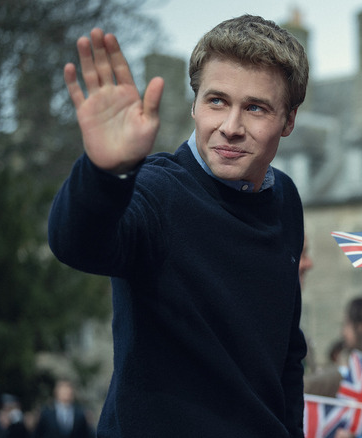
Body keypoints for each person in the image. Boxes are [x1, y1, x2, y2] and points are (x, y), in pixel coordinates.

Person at [48, 14, 309, 437]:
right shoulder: (155, 189)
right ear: (194, 104)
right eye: (217, 101)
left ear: (289, 120)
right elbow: (74, 243)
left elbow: (286, 351)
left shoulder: (286, 200)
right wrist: (103, 171)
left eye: (255, 108)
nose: (230, 127)